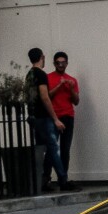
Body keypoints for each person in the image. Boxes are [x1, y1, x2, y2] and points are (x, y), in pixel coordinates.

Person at [27, 47, 67, 192]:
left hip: (34, 117)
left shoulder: (29, 75)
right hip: (44, 117)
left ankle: (43, 180)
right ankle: (63, 180)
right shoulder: (41, 74)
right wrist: (55, 119)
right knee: (53, 148)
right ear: (42, 57)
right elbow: (45, 97)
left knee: (42, 149)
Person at [47, 51, 81, 191]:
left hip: (68, 116)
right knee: (52, 149)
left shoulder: (71, 80)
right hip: (54, 116)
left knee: (65, 149)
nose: (61, 65)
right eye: (58, 63)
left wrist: (71, 88)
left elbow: (76, 101)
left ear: (67, 63)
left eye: (63, 63)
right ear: (54, 63)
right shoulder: (48, 78)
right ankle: (46, 179)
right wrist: (59, 86)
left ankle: (63, 179)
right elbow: (47, 96)